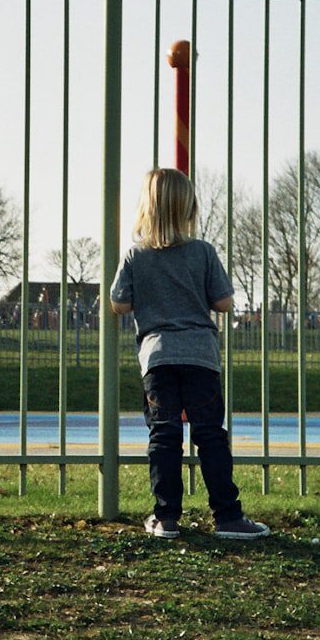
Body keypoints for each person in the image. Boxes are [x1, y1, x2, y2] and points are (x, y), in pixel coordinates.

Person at [109, 168, 270, 540]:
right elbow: (224, 302)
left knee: (164, 433)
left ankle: (166, 517)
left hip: (158, 356)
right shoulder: (203, 252)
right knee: (210, 433)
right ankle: (228, 516)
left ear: (146, 208)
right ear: (189, 207)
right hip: (200, 355)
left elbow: (120, 303)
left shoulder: (136, 255)